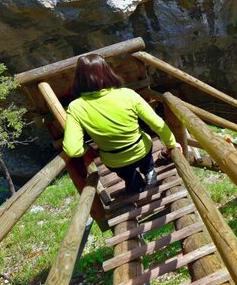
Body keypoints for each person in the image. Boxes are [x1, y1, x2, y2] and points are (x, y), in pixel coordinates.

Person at [63, 54, 180, 193]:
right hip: (141, 150)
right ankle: (149, 172)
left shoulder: (76, 107)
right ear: (107, 72)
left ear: (78, 79)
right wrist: (171, 144)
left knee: (128, 175)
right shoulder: (127, 94)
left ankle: (135, 183)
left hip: (114, 160)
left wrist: (88, 149)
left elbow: (72, 149)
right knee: (146, 154)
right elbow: (157, 124)